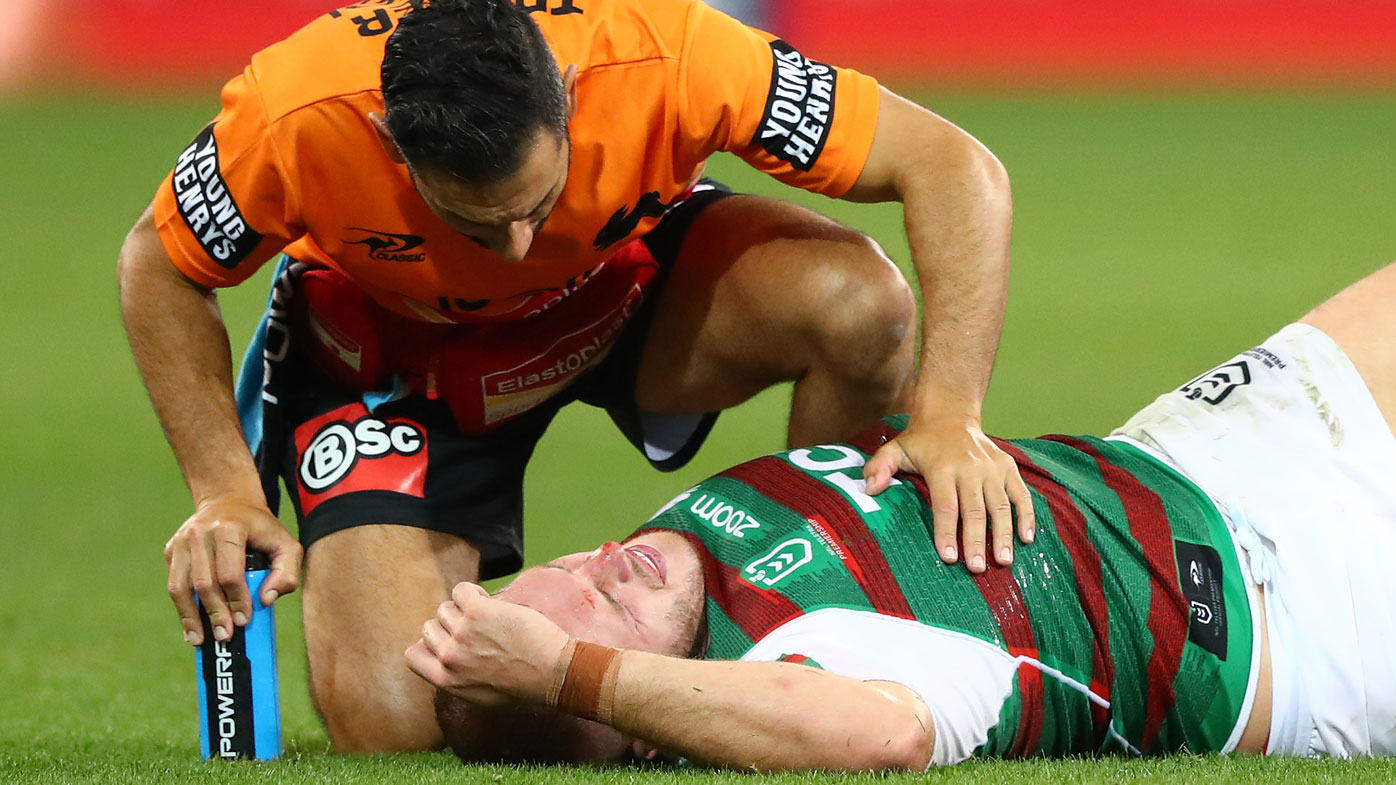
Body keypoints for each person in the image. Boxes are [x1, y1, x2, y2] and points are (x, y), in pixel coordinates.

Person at [117, 0, 1030, 753]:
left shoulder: (669, 51)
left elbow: (956, 165)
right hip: (395, 360)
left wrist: (949, 414)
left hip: (621, 298)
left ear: (568, 93)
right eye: (477, 225)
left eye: (537, 205)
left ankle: (831, 606)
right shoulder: (294, 114)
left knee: (860, 304)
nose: (517, 246)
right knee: (394, 718)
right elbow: (158, 265)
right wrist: (225, 489)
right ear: (388, 144)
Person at [407, 260, 1396, 770]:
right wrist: (563, 673)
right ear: (645, 709)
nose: (608, 564)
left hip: (1199, 448)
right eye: (597, 615)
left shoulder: (680, 548)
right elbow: (881, 740)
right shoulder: (797, 662)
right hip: (1307, 621)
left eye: (573, 564)